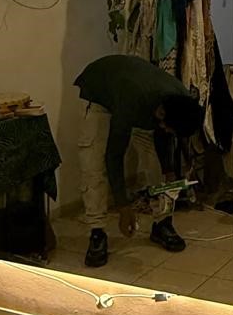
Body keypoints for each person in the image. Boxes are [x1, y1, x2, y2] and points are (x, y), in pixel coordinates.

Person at [74, 54, 205, 268]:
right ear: (161, 114)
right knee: (94, 163)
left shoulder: (180, 100)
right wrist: (123, 206)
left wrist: (169, 171)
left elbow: (165, 135)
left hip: (140, 97)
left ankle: (162, 223)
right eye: (166, 126)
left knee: (155, 164)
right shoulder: (131, 100)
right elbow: (114, 155)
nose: (166, 130)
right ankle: (97, 232)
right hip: (99, 90)